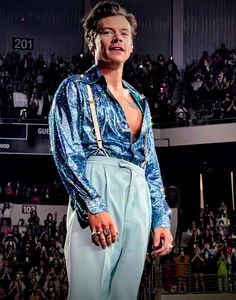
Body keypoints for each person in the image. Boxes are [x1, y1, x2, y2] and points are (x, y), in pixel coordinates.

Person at [49, 1, 173, 300]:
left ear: (131, 45)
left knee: (124, 293)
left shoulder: (140, 100)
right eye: (107, 32)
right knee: (88, 292)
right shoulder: (74, 88)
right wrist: (92, 203)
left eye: (124, 33)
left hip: (139, 191)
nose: (117, 38)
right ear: (93, 39)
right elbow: (66, 151)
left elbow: (151, 165)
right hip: (98, 182)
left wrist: (160, 218)